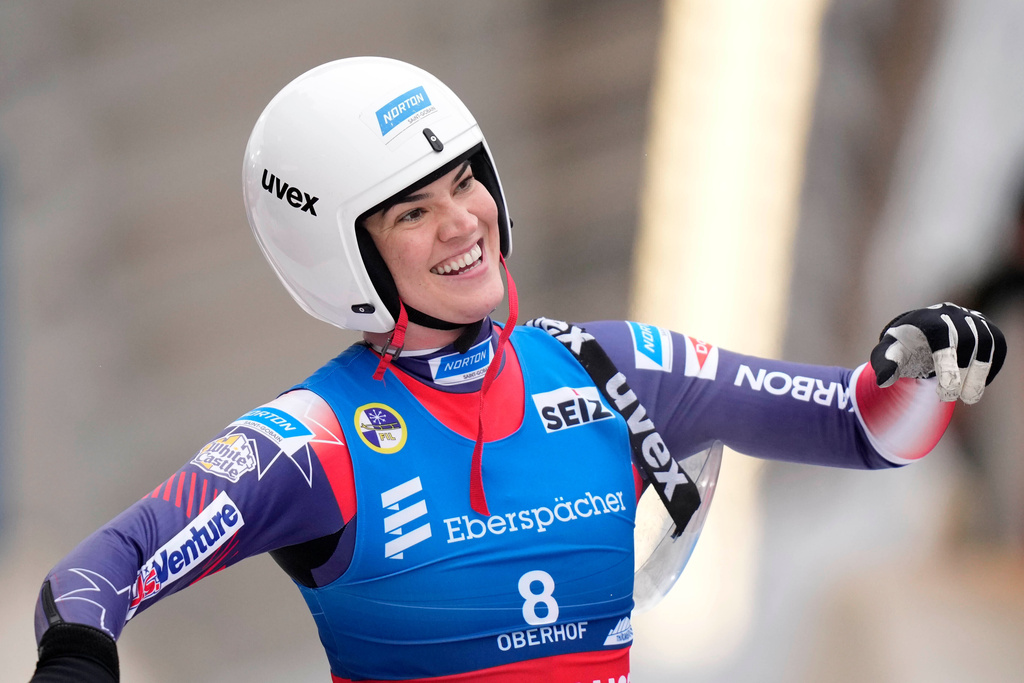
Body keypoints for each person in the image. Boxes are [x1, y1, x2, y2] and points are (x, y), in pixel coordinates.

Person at [30, 57, 1006, 683]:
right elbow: (96, 570)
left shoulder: (616, 365)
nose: (463, 221)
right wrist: (78, 655)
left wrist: (919, 363)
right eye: (412, 210)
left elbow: (860, 429)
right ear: (339, 255)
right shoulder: (311, 442)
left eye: (466, 181)